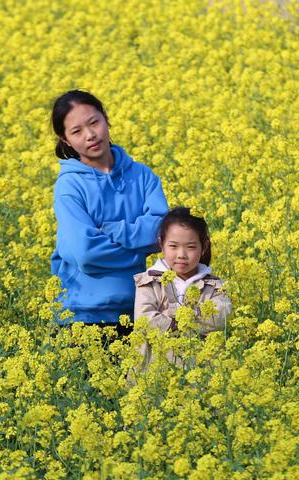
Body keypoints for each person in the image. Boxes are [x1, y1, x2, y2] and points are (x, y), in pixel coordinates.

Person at [50, 90, 168, 331]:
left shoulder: (142, 176)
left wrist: (115, 231)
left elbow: (163, 234)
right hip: (80, 317)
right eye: (77, 131)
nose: (90, 135)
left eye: (94, 122)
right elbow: (86, 253)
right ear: (65, 140)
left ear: (106, 119)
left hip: (140, 311)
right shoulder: (69, 186)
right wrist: (139, 252)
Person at [133, 207, 231, 366]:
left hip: (201, 375)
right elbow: (145, 319)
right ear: (161, 244)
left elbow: (221, 317)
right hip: (156, 372)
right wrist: (186, 322)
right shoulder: (150, 281)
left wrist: (176, 320)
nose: (181, 254)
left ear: (204, 246)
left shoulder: (214, 286)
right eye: (173, 246)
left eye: (191, 247)